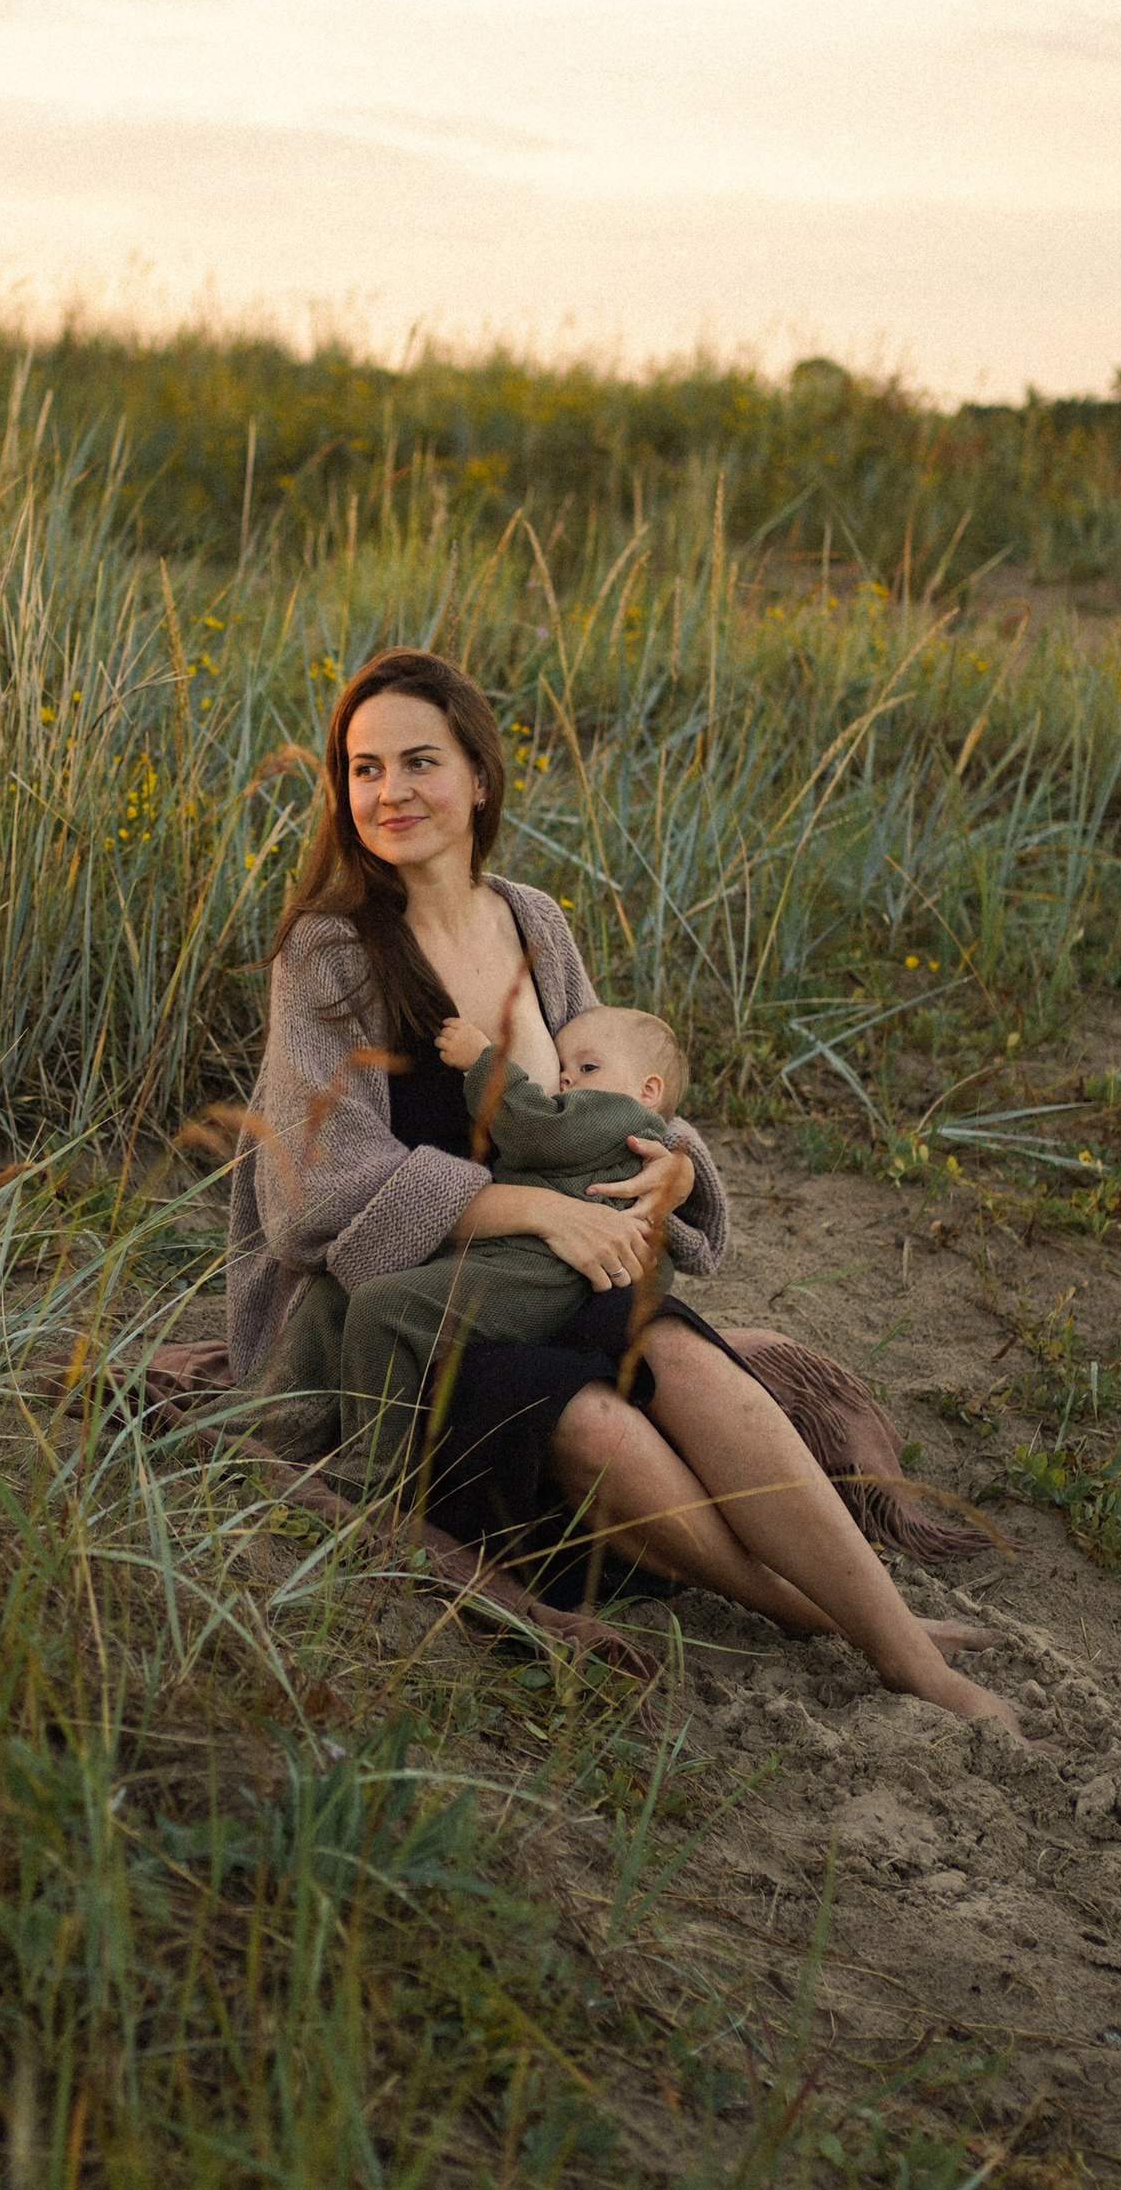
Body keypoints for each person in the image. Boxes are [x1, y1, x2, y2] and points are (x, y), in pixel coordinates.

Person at [226, 647, 1015, 1727]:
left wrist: (672, 1167)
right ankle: (824, 1620)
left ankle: (898, 1638)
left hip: (546, 1275)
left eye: (419, 762)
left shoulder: (534, 923)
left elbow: (609, 1092)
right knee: (596, 1423)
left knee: (681, 1355)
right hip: (412, 1324)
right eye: (364, 769)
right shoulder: (330, 952)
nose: (390, 792)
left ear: (479, 776)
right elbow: (312, 1191)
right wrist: (531, 1207)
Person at [338, 1002, 692, 1482]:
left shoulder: (618, 1116)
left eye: (587, 1067)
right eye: (562, 1066)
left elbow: (538, 1132)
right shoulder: (620, 1134)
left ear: (648, 1091)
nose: (565, 1078)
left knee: (383, 1308)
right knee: (375, 1302)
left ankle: (373, 1475)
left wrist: (484, 1061)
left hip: (549, 1272)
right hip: (547, 1263)